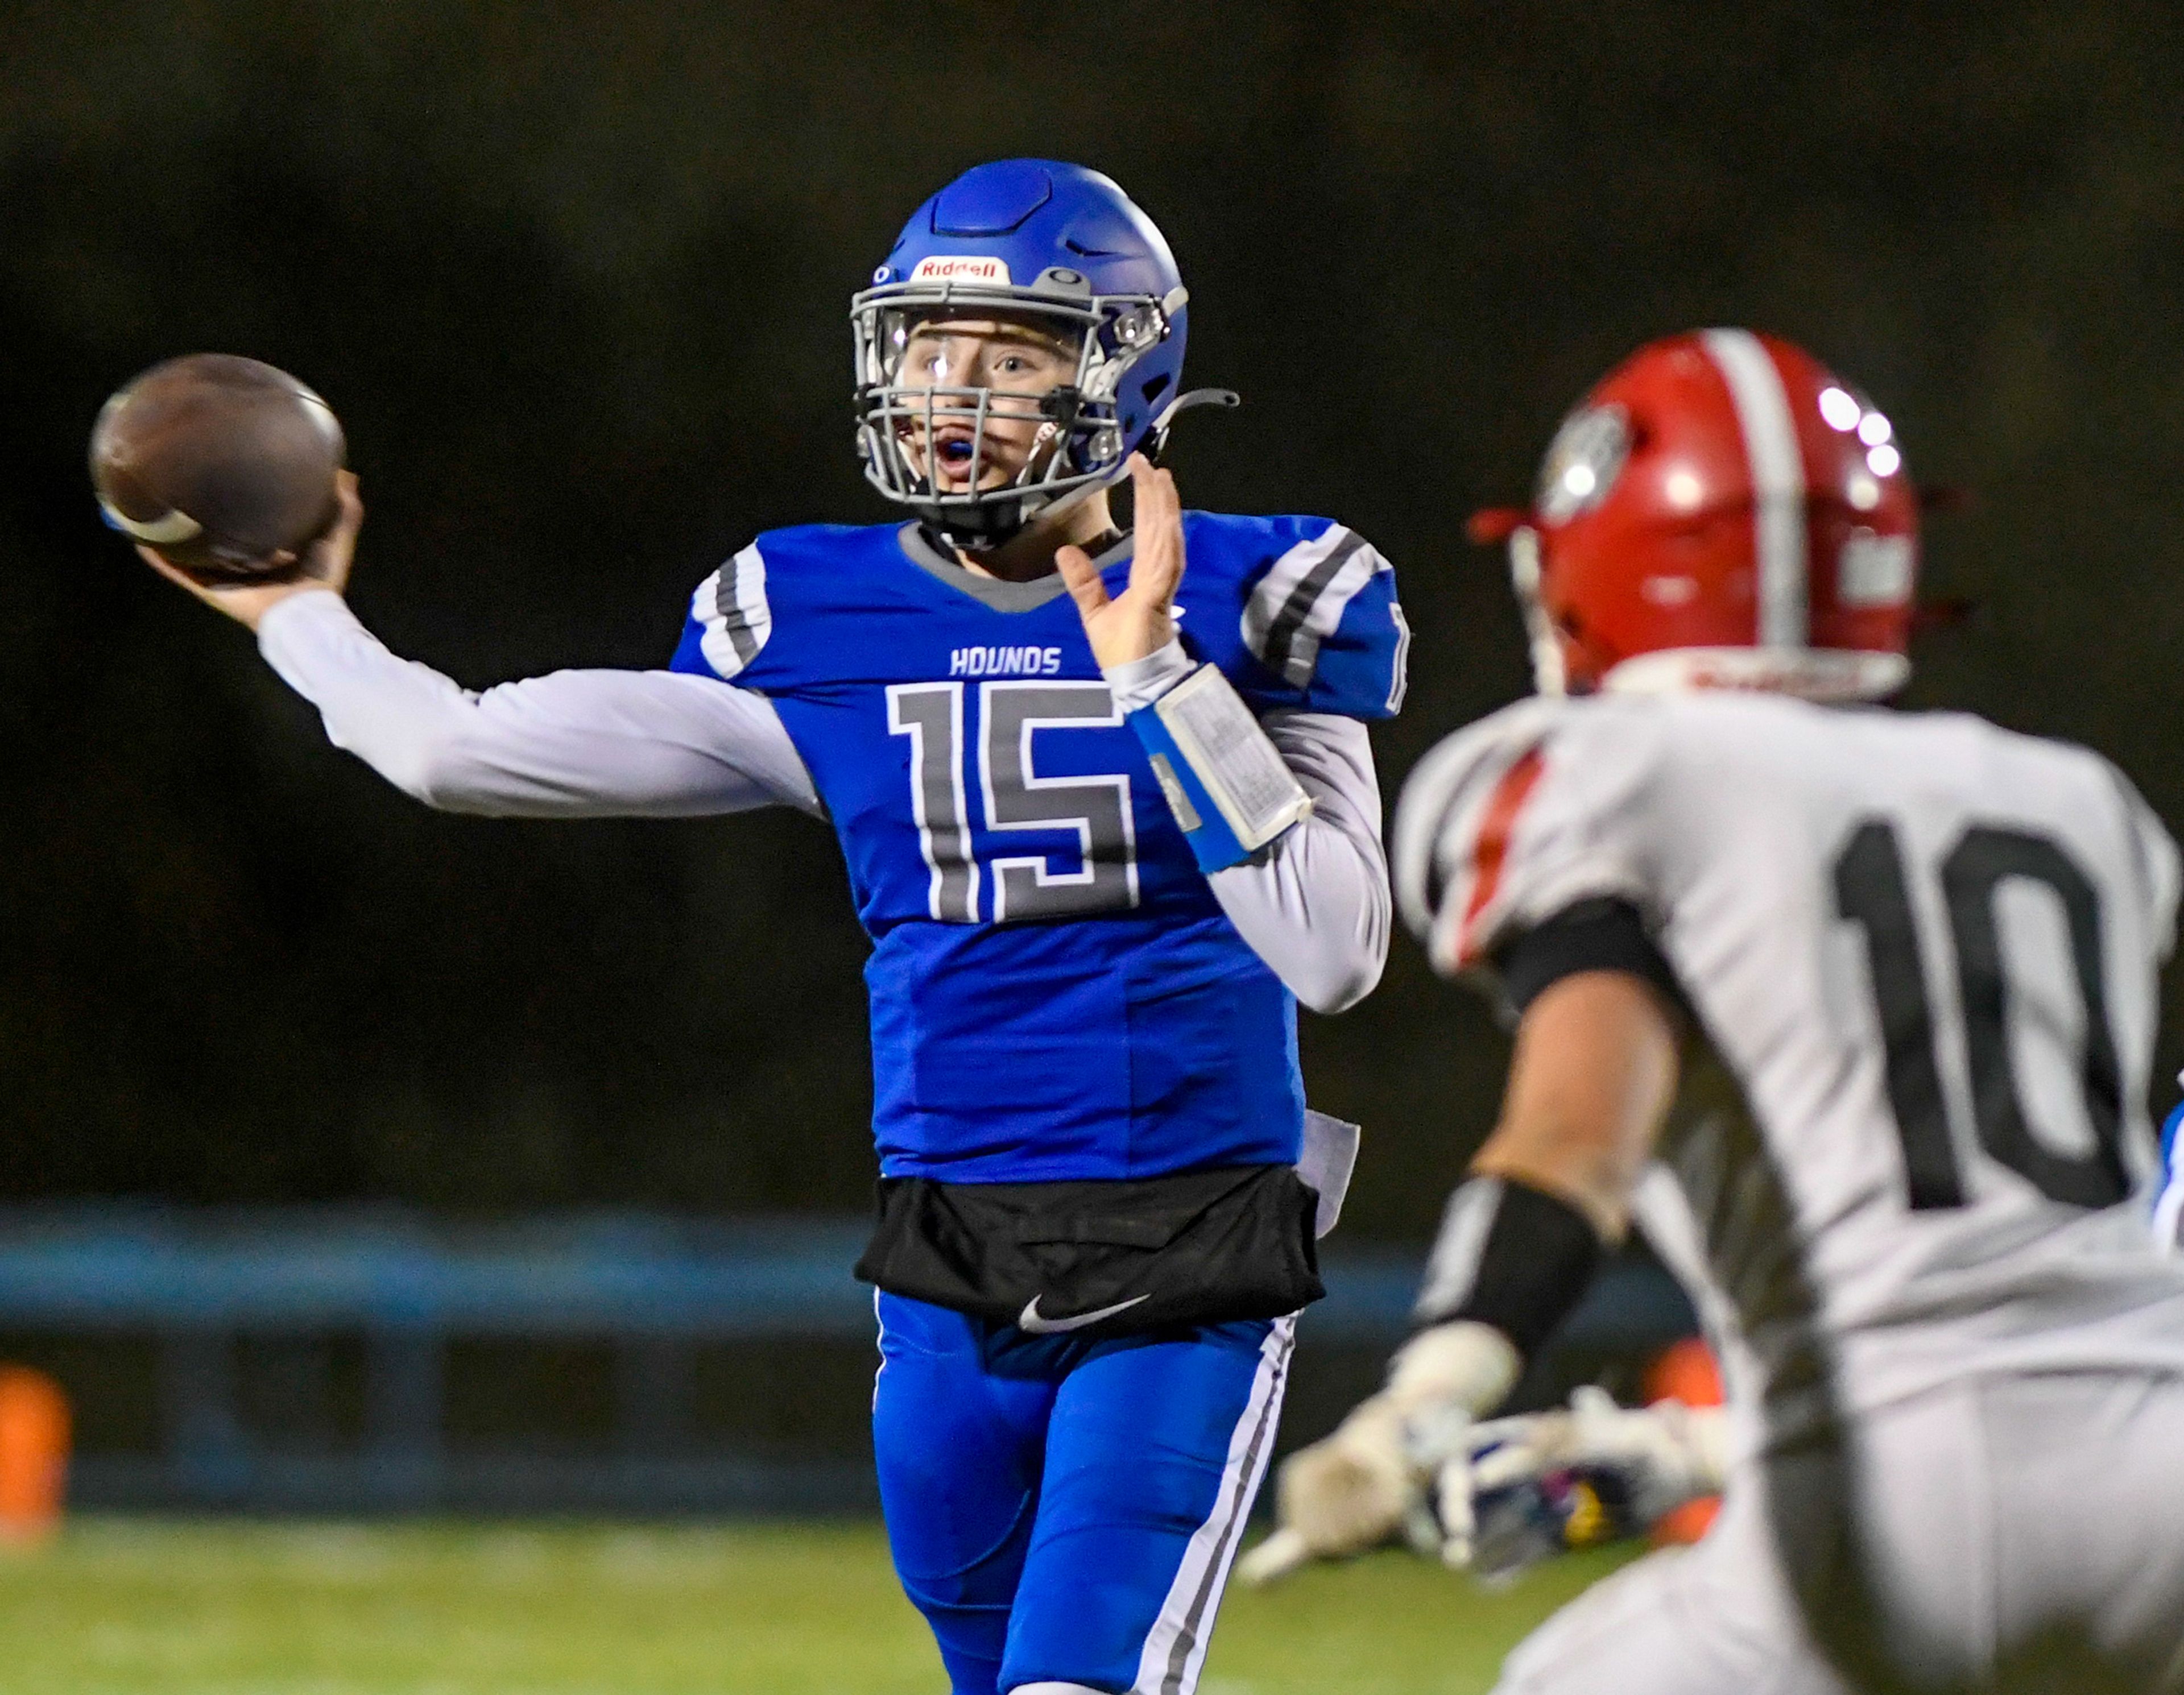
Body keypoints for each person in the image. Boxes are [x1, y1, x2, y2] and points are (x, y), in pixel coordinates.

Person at [137, 159, 1405, 1695]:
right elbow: (454, 749)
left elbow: (1335, 947)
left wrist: (1156, 676)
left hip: (1193, 1235)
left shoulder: (1265, 591)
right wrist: (298, 613)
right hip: (945, 1247)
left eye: (1010, 357)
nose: (956, 391)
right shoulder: (801, 613)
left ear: (1126, 371)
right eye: (932, 349)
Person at [1243, 329, 2184, 1694]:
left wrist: (1421, 1399)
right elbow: (2002, 1298)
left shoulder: (1603, 770)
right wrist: (1680, 1452)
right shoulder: (2075, 803)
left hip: (1887, 1516)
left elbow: (1576, 1139)